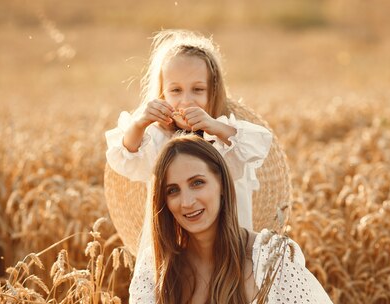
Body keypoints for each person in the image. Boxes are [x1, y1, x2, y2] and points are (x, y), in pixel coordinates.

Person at [117, 135, 335, 304]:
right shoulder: (158, 265)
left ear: (221, 184)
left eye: (197, 182)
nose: (187, 201)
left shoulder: (271, 256)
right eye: (173, 190)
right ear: (163, 202)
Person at [105, 29, 273, 231]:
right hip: (173, 245)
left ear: (213, 92)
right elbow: (124, 157)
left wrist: (214, 125)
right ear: (162, 94)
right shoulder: (158, 139)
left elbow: (260, 142)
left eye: (198, 89)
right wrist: (139, 123)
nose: (186, 101)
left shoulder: (224, 139)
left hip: (227, 243)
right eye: (175, 90)